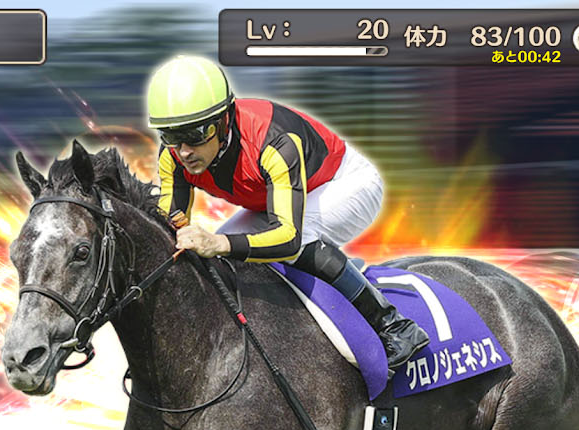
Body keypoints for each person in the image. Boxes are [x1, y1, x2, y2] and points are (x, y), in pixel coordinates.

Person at [146, 54, 430, 374]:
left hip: (346, 184)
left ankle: (392, 324)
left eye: (196, 134)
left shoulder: (274, 142)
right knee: (221, 260)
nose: (184, 151)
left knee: (286, 238)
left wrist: (219, 243)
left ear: (224, 121)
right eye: (171, 136)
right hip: (277, 200)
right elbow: (169, 226)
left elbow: (288, 239)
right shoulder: (173, 155)